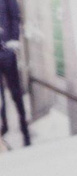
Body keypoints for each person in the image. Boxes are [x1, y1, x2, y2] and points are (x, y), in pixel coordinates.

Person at [0, 0, 32, 152]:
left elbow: (15, 16)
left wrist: (14, 40)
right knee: (0, 95)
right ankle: (4, 125)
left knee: (16, 93)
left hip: (7, 51)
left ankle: (25, 130)